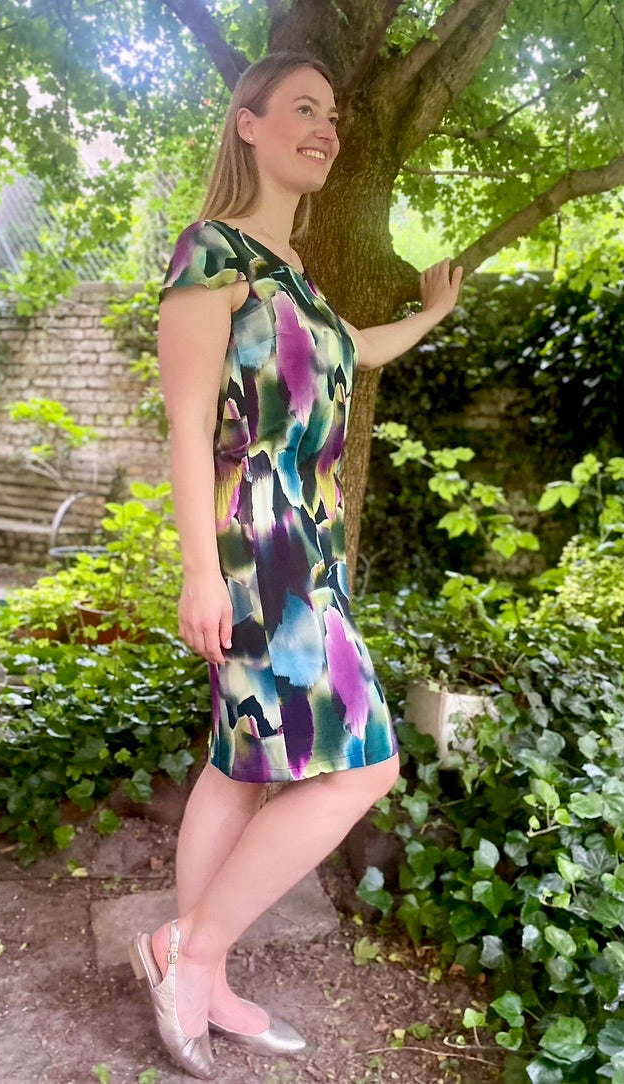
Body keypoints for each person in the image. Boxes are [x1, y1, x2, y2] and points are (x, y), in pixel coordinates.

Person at [129, 51, 463, 1079]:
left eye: (333, 114)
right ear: (249, 123)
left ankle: (201, 974)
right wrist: (200, 573)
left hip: (307, 552)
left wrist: (432, 314)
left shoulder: (295, 278)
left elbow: (354, 347)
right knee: (367, 762)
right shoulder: (212, 253)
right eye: (303, 108)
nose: (326, 127)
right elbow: (188, 427)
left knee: (239, 766)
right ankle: (191, 953)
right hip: (254, 548)